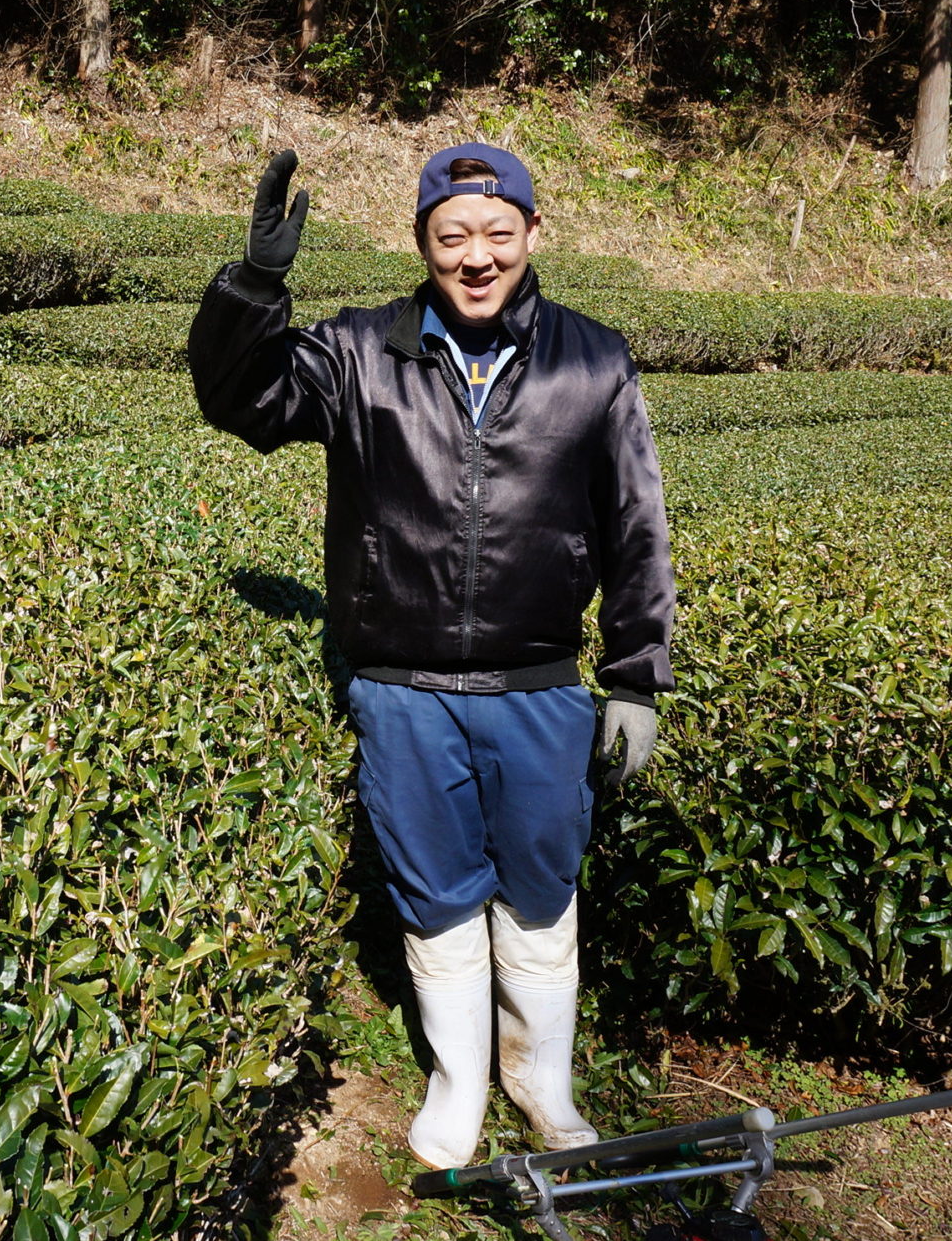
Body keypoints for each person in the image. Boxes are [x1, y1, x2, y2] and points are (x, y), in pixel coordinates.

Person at [189, 145, 675, 1170]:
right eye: (451, 235)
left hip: (537, 685)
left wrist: (634, 673)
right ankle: (457, 1080)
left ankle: (542, 1081)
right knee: (436, 895)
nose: (476, 256)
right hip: (401, 686)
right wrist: (255, 286)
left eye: (497, 233)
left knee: (542, 890)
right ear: (422, 245)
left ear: (532, 236)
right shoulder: (359, 353)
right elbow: (240, 401)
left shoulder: (593, 362)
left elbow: (636, 523)